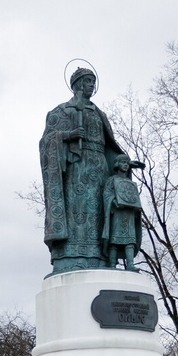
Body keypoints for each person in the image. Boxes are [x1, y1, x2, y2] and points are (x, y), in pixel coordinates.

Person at [40, 67, 128, 273]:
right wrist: (68, 135)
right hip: (76, 168)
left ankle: (102, 256)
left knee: (99, 212)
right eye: (88, 81)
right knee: (77, 211)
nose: (91, 85)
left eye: (93, 81)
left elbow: (110, 146)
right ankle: (72, 256)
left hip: (99, 167)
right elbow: (46, 141)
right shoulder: (62, 111)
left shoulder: (99, 114)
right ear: (78, 84)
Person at [101, 153, 144, 271]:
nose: (125, 165)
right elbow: (107, 194)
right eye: (123, 163)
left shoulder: (130, 183)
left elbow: (133, 197)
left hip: (129, 213)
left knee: (130, 240)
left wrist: (136, 207)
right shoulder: (112, 180)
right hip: (117, 213)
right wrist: (114, 202)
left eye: (126, 163)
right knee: (115, 240)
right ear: (117, 164)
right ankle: (112, 264)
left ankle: (130, 264)